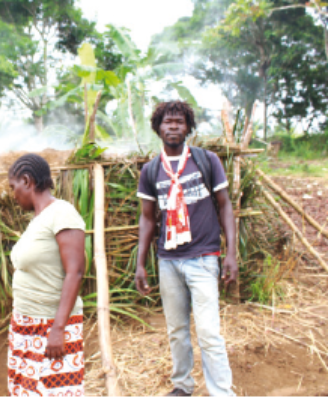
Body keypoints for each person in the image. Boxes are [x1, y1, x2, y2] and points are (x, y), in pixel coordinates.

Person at [135, 101, 237, 396]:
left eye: (179, 122)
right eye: (168, 122)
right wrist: (142, 263)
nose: (174, 127)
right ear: (158, 128)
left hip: (203, 257)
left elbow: (225, 206)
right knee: (177, 331)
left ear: (188, 127)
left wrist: (229, 254)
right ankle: (182, 386)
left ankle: (221, 392)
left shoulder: (207, 160)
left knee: (208, 333)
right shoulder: (152, 170)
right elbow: (147, 219)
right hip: (168, 261)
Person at [7, 154, 86, 397]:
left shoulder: (62, 212)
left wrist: (58, 328)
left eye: (13, 187)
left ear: (27, 181)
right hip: (26, 325)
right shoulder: (37, 221)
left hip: (50, 326)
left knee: (55, 391)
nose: (13, 194)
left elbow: (76, 271)